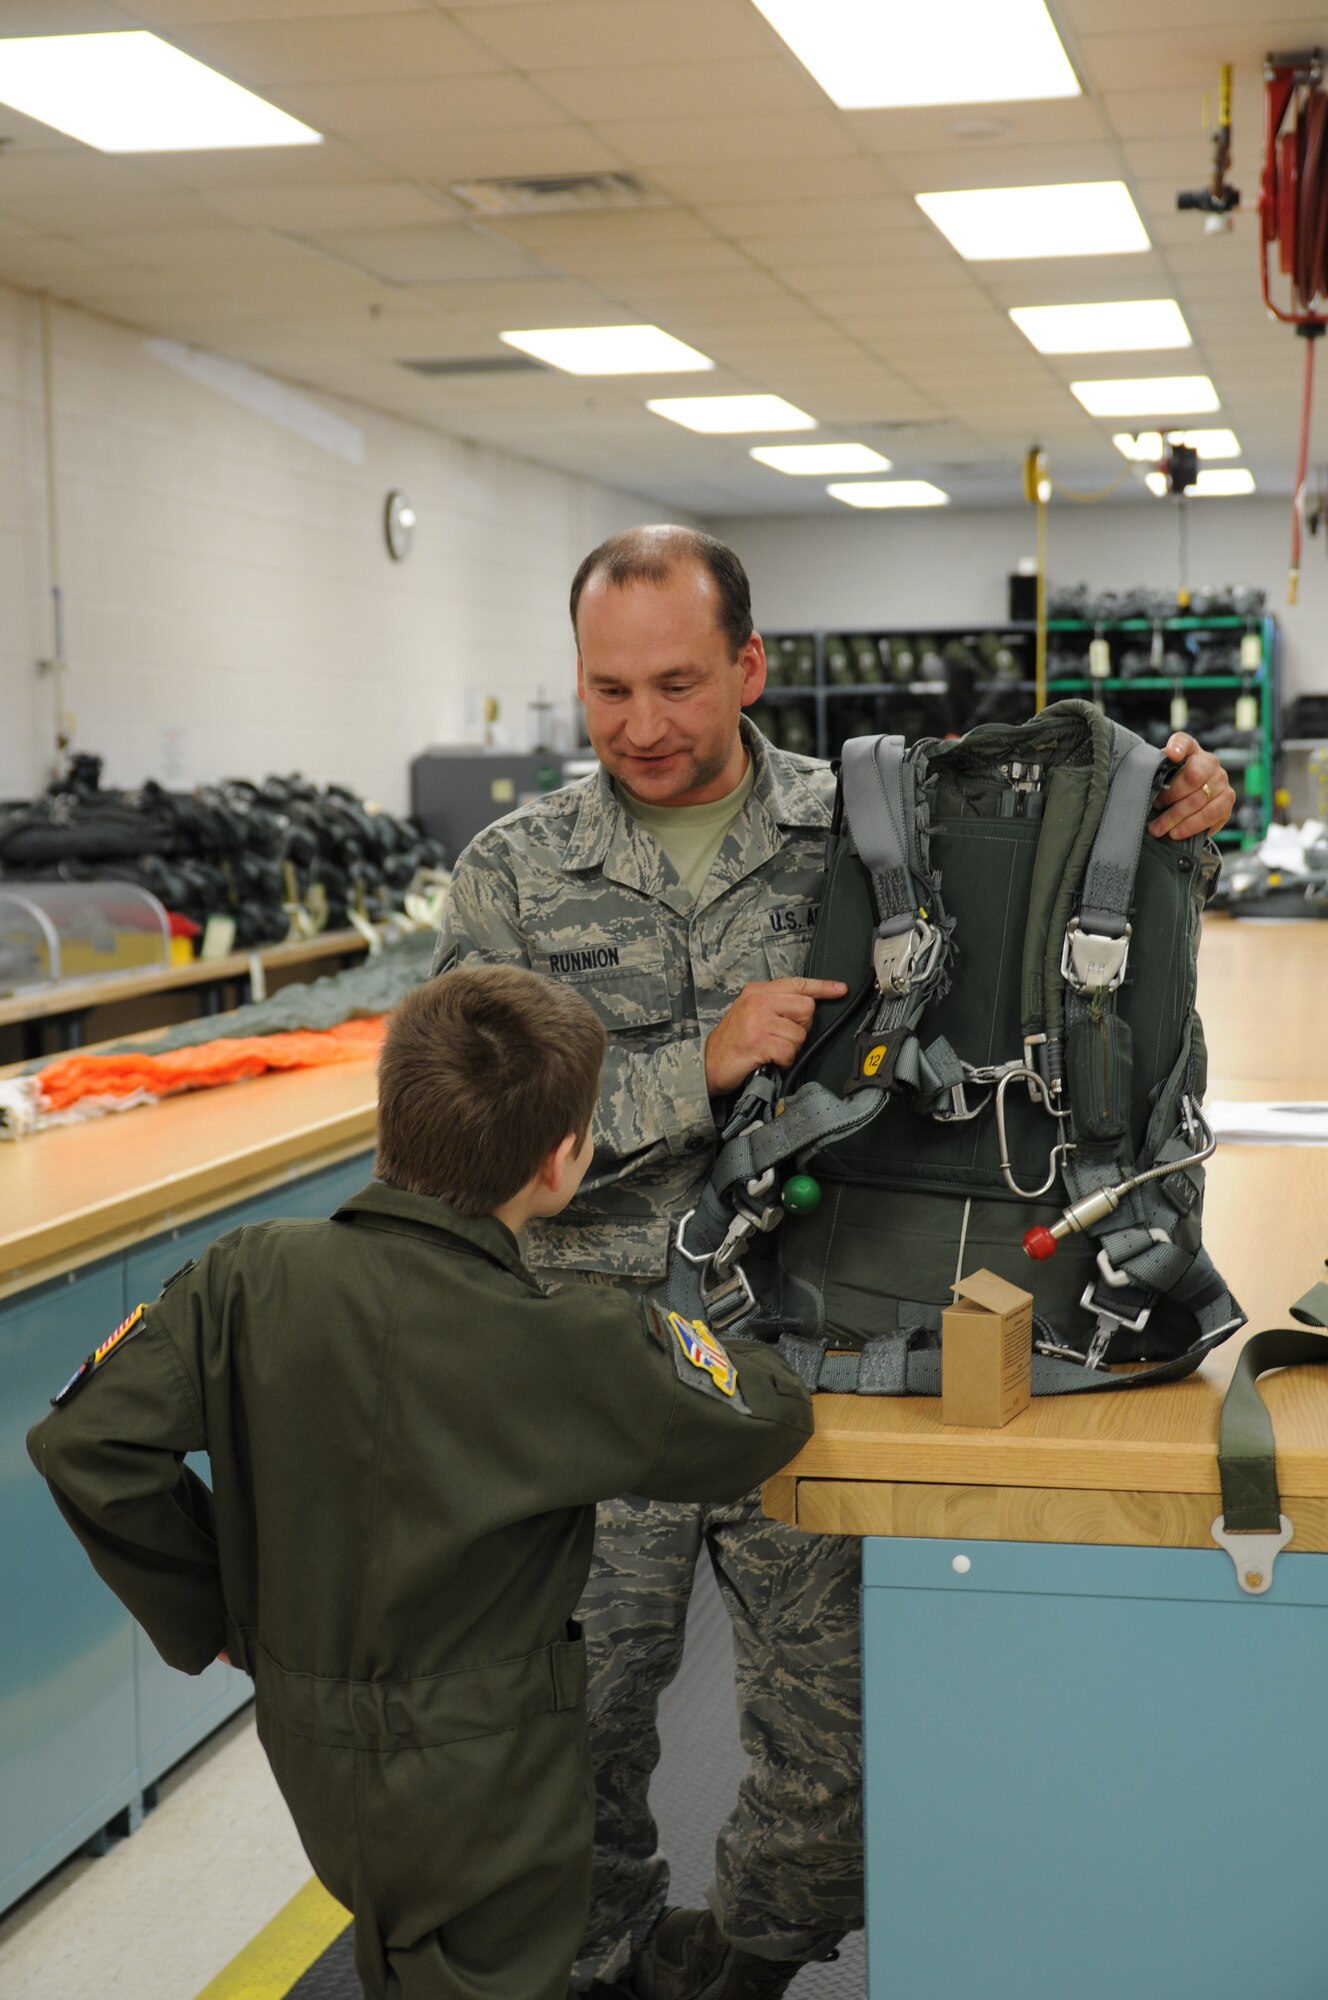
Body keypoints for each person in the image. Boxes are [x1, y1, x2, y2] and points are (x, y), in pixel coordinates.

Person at [433, 526, 1238, 1999]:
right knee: (575, 1720)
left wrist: (1192, 812)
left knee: (833, 1730)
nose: (643, 726)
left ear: (750, 667)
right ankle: (597, 1961)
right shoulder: (512, 875)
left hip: (802, 1347)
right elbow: (462, 1148)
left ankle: (748, 1962)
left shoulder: (878, 823)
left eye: (679, 684)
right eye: (607, 691)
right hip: (581, 1369)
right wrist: (697, 1068)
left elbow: (1065, 894)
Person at [26, 966, 814, 2000]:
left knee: (399, 1945)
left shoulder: (245, 1273)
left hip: (307, 1732)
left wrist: (217, 1609)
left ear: (388, 1117)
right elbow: (760, 1416)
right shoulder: (570, 1340)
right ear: (561, 1158)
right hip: (485, 1767)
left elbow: (85, 1443)